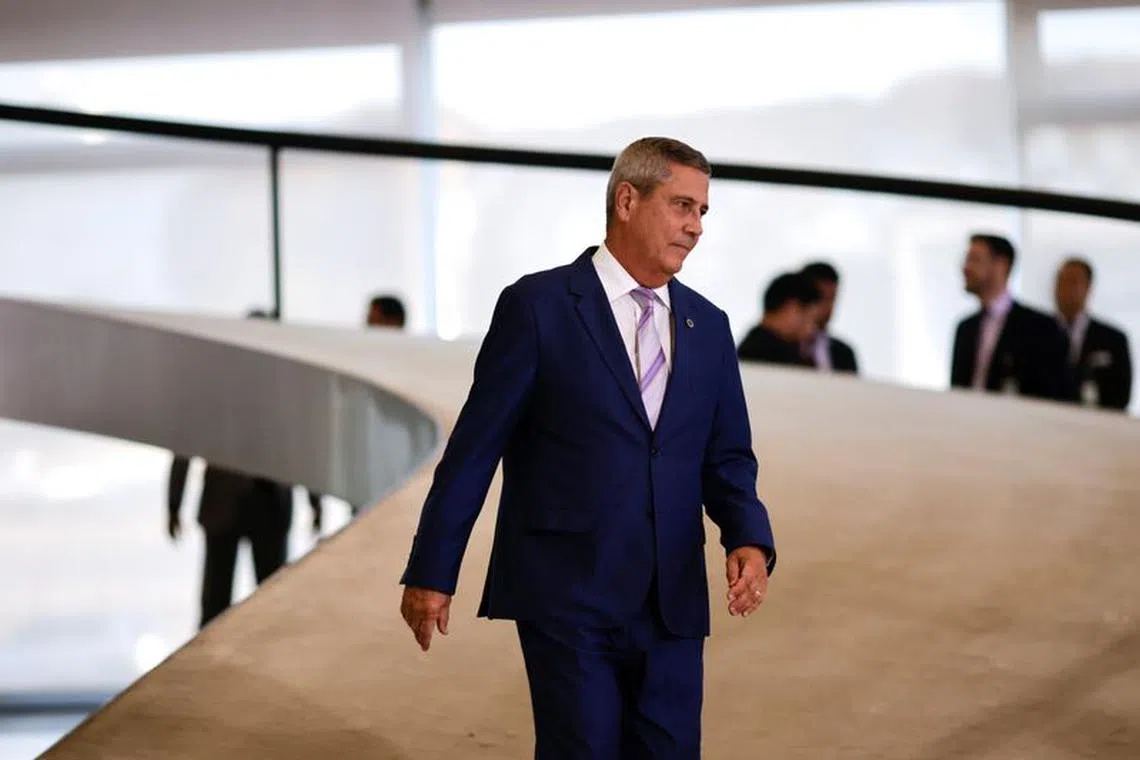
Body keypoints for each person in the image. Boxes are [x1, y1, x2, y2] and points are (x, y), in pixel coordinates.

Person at [398, 137, 775, 759]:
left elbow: (727, 457)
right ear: (627, 199)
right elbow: (474, 450)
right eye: (683, 205)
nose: (695, 227)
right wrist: (434, 570)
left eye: (703, 212)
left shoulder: (708, 326)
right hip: (567, 593)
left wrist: (749, 538)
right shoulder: (539, 307)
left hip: (673, 598)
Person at [168, 309, 322, 628]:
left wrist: (316, 500)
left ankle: (270, 666)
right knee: (216, 601)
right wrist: (173, 502)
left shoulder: (286, 390)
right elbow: (185, 445)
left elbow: (304, 446)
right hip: (225, 506)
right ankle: (210, 670)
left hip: (268, 504)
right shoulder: (214, 391)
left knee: (271, 598)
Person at [950, 234, 1068, 401]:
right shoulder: (965, 328)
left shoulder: (1039, 328)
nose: (965, 268)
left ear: (1001, 265)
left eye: (974, 259)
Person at [1054, 257, 1132, 411]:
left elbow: (1120, 395)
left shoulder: (1113, 339)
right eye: (1060, 282)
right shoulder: (1039, 332)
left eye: (1072, 282)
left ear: (1088, 288)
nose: (1064, 289)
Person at [736, 271, 819, 367]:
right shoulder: (764, 356)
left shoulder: (747, 350)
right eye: (811, 319)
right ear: (791, 309)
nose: (812, 329)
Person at [800, 261, 859, 373]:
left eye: (831, 299)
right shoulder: (780, 348)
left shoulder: (844, 353)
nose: (826, 307)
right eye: (820, 298)